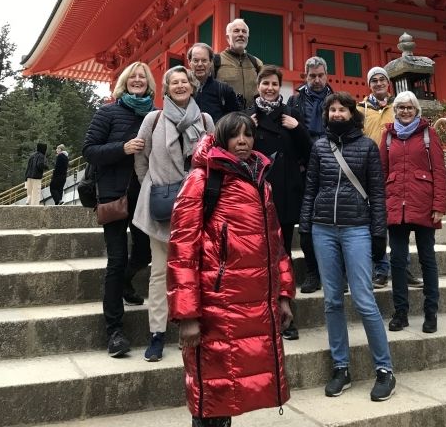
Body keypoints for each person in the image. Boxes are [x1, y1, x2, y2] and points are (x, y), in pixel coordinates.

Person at [167, 112, 295, 427]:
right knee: (211, 395)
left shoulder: (259, 178)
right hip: (215, 304)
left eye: (248, 135)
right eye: (235, 135)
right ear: (222, 139)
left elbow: (275, 240)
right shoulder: (203, 179)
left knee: (231, 393)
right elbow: (182, 249)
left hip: (253, 304)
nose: (242, 141)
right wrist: (187, 315)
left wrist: (283, 293)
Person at [299, 92, 395, 402]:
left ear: (353, 114)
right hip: (323, 228)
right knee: (332, 301)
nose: (337, 114)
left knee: (365, 300)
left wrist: (379, 233)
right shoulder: (319, 147)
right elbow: (310, 188)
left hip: (356, 228)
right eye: (332, 110)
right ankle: (341, 367)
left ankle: (385, 370)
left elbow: (378, 193)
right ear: (326, 115)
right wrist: (306, 226)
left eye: (343, 109)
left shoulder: (367, 147)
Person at [133, 66, 214, 362]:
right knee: (160, 272)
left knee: (195, 270)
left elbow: (214, 159)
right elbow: (141, 159)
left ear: (192, 86)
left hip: (197, 207)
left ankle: (191, 326)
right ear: (166, 88)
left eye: (184, 81)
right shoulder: (153, 119)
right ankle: (157, 333)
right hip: (162, 207)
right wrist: (152, 188)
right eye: (174, 82)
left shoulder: (205, 120)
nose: (180, 86)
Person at [83, 61, 155, 358]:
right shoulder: (108, 112)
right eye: (133, 77)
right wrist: (122, 148)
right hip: (114, 195)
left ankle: (126, 281)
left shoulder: (154, 114)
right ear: (124, 82)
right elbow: (89, 150)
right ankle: (114, 331)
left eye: (143, 77)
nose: (138, 80)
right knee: (116, 259)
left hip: (145, 196)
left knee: (145, 252)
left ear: (149, 84)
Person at [247, 64, 312, 340]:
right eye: (265, 84)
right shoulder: (248, 116)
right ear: (258, 86)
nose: (270, 89)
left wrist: (297, 129)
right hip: (255, 196)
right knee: (256, 257)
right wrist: (247, 128)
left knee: (282, 254)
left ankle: (285, 312)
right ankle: (259, 313)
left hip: (285, 195)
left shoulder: (292, 114)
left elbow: (309, 151)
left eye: (275, 84)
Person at [380, 91, 446, 335]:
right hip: (396, 204)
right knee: (397, 261)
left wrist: (439, 205)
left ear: (416, 110)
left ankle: (431, 312)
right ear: (395, 110)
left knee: (427, 259)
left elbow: (440, 171)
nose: (405, 111)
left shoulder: (429, 135)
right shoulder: (388, 136)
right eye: (401, 108)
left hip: (424, 203)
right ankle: (401, 312)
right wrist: (381, 205)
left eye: (409, 107)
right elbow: (382, 172)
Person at [357, 67, 422, 290]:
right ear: (369, 85)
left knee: (398, 223)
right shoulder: (360, 109)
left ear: (388, 83)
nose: (378, 83)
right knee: (377, 224)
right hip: (370, 172)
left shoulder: (399, 107)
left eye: (382, 79)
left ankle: (402, 268)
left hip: (396, 172)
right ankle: (381, 270)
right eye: (373, 80)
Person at [286, 55, 333, 293]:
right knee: (306, 225)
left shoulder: (336, 101)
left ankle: (336, 273)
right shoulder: (294, 101)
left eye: (320, 75)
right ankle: (313, 273)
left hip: (332, 169)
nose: (316, 80)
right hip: (304, 168)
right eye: (312, 76)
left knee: (334, 222)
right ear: (305, 76)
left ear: (327, 76)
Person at [213, 19, 262, 108]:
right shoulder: (215, 61)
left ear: (248, 37)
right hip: (225, 118)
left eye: (244, 32)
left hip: (251, 118)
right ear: (228, 37)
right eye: (236, 31)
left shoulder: (257, 63)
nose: (241, 34)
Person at [188, 42, 240, 122]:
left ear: (211, 62)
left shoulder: (224, 89)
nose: (200, 64)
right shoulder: (183, 89)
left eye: (204, 60)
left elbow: (234, 120)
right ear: (189, 63)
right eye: (195, 60)